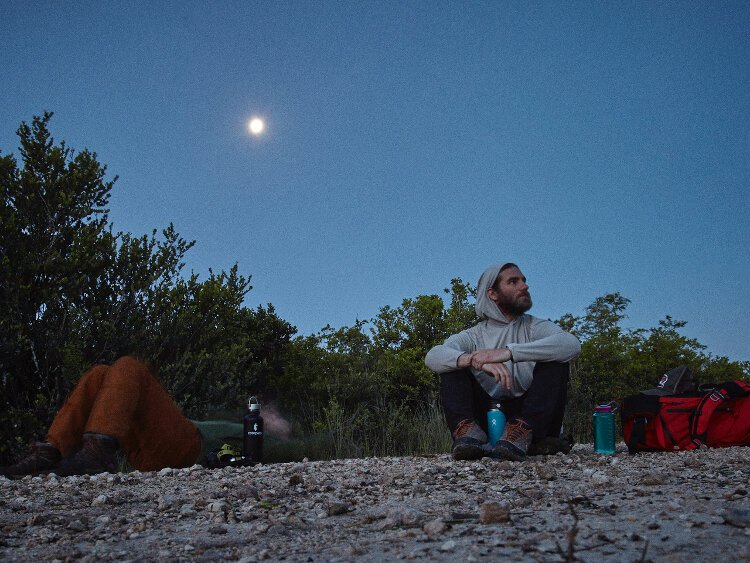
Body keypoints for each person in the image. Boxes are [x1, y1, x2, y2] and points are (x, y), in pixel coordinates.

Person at [0, 356, 270, 479]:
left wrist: (280, 434)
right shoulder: (245, 423)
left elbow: (291, 447)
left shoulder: (256, 433)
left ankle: (97, 453)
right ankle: (52, 451)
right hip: (151, 450)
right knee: (100, 374)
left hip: (189, 447)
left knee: (129, 366)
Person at [425, 262, 581, 462]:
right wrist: (472, 359)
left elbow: (571, 344)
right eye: (513, 282)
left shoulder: (535, 327)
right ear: (493, 294)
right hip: (487, 414)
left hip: (533, 417)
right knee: (452, 362)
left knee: (556, 358)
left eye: (524, 281)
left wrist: (508, 352)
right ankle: (468, 435)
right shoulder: (473, 336)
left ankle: (524, 434)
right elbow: (434, 355)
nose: (524, 286)